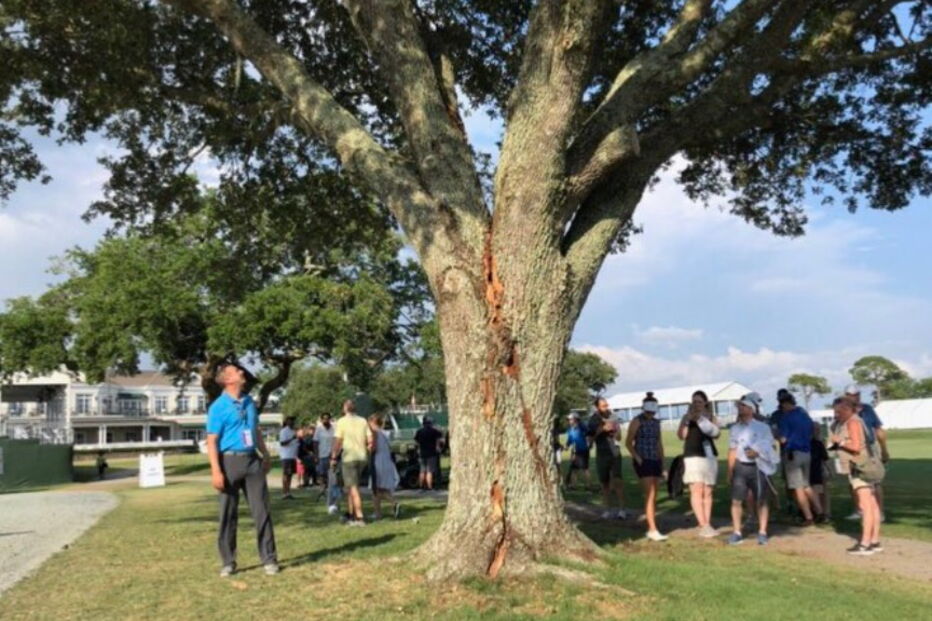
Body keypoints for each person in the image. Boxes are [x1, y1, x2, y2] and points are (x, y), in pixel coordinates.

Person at [206, 362, 279, 577]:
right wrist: (216, 471)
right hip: (229, 462)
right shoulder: (218, 406)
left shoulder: (249, 402)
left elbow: (255, 431)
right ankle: (228, 561)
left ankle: (269, 559)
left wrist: (264, 454)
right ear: (228, 380)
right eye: (236, 371)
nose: (241, 372)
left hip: (252, 461)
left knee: (262, 511)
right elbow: (212, 441)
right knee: (228, 514)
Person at [830, 396, 883, 555]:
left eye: (838, 411)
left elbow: (856, 446)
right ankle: (874, 540)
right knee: (872, 505)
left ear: (847, 409)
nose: (836, 415)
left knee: (865, 506)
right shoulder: (856, 420)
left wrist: (839, 441)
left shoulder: (853, 422)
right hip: (867, 465)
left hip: (860, 467)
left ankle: (865, 544)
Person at [727, 394, 779, 545]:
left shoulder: (763, 427)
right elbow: (732, 449)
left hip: (758, 467)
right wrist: (730, 470)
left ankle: (762, 532)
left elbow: (771, 446)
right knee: (736, 500)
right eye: (739, 406)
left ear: (751, 409)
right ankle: (737, 532)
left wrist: (758, 453)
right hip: (741, 467)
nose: (740, 408)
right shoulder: (735, 428)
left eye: (743, 406)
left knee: (762, 500)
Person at [775, 389, 824, 524]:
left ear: (784, 404)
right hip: (806, 452)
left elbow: (783, 439)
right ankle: (819, 511)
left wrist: (776, 435)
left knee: (798, 487)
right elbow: (812, 431)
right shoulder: (804, 415)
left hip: (793, 454)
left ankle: (808, 516)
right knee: (806, 485)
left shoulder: (786, 418)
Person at [843, 385, 889, 522]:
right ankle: (859, 510)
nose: (854, 397)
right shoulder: (844, 411)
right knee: (853, 481)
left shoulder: (868, 409)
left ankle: (879, 512)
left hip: (869, 447)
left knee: (875, 481)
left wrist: (884, 450)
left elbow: (879, 430)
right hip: (851, 448)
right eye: (851, 395)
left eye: (857, 394)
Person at [677, 390, 720, 538]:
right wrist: (688, 421)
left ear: (705, 403)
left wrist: (704, 421)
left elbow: (717, 434)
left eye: (699, 402)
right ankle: (702, 524)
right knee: (696, 489)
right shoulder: (686, 417)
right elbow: (681, 436)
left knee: (708, 490)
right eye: (694, 402)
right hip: (692, 455)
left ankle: (707, 522)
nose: (697, 404)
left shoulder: (711, 417)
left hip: (709, 456)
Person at [625, 392, 667, 541]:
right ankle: (652, 529)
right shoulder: (637, 421)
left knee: (654, 494)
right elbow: (628, 442)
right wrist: (637, 458)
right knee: (649, 494)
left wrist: (662, 464)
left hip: (655, 460)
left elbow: (658, 443)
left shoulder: (656, 423)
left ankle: (651, 523)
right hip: (643, 460)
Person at [331, 400, 372, 525]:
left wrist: (333, 457)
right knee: (350, 487)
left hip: (349, 458)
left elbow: (338, 441)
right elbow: (370, 440)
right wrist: (367, 450)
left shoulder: (342, 421)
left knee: (353, 488)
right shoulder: (363, 421)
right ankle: (350, 513)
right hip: (362, 457)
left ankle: (359, 516)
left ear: (345, 409)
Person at [587, 397, 627, 520]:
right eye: (603, 406)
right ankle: (607, 510)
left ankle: (622, 510)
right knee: (604, 483)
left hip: (615, 453)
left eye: (607, 405)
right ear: (597, 407)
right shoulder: (593, 420)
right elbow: (590, 442)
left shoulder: (613, 416)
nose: (606, 407)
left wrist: (616, 431)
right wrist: (601, 430)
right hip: (602, 454)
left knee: (618, 481)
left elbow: (619, 437)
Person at [368, 414, 401, 520]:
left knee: (376, 488)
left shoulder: (375, 433)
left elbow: (373, 448)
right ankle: (378, 512)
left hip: (378, 462)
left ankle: (393, 503)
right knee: (379, 488)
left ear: (373, 423)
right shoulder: (386, 433)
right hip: (387, 461)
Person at [314, 413, 340, 511]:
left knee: (334, 479)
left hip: (332, 457)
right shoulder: (319, 429)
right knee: (322, 476)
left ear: (330, 419)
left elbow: (337, 441)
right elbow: (315, 442)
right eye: (323, 419)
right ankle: (323, 492)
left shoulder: (334, 428)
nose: (325, 420)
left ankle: (335, 499)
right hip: (322, 456)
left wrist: (335, 453)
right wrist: (316, 456)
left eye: (327, 419)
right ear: (321, 420)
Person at [414, 416, 443, 491]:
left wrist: (418, 449)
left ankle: (421, 486)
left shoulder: (419, 431)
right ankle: (429, 486)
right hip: (431, 453)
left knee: (422, 470)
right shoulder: (434, 431)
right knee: (429, 471)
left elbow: (416, 442)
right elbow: (440, 437)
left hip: (422, 453)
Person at [810, 422, 831, 521]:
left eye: (818, 430)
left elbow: (824, 458)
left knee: (821, 492)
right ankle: (818, 511)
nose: (816, 432)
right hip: (810, 469)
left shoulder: (819, 443)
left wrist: (828, 469)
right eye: (815, 430)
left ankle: (824, 512)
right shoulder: (808, 443)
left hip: (818, 469)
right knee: (815, 492)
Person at [564, 413, 591, 489]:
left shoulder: (582, 427)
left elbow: (588, 434)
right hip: (575, 451)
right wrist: (567, 446)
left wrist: (588, 443)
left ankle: (589, 485)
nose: (569, 421)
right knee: (574, 469)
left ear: (575, 419)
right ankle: (573, 485)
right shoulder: (570, 429)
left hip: (583, 450)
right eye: (568, 419)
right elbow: (570, 439)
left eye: (570, 419)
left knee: (585, 468)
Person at [278, 416, 299, 500]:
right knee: (285, 475)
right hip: (286, 456)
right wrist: (292, 438)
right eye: (290, 421)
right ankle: (284, 492)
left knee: (290, 475)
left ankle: (288, 492)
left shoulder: (293, 431)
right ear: (287, 422)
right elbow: (282, 443)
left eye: (293, 421)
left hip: (292, 456)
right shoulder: (284, 431)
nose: (292, 423)